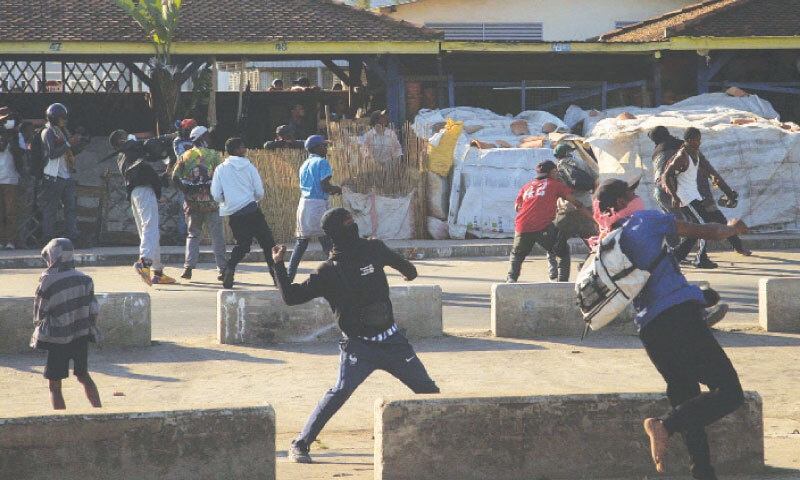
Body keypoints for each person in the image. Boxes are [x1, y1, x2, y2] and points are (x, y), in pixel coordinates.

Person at [594, 177, 747, 480]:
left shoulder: (607, 239)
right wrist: (732, 228)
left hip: (650, 330)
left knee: (687, 399)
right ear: (622, 203)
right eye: (631, 193)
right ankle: (663, 425)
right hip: (680, 318)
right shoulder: (645, 220)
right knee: (729, 392)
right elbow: (707, 232)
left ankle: (702, 471)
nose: (637, 196)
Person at [272, 207, 440, 464]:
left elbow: (290, 296)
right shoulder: (332, 269)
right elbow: (292, 298)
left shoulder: (364, 253)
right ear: (338, 232)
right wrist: (279, 266)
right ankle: (301, 443)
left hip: (393, 342)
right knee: (339, 392)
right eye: (348, 223)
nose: (353, 226)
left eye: (352, 221)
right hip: (358, 349)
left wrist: (279, 265)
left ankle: (444, 433)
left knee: (428, 391)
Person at [31, 237, 102, 410]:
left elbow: (39, 312)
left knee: (54, 385)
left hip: (57, 338)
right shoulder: (85, 279)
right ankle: (99, 411)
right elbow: (94, 309)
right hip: (81, 335)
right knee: (83, 376)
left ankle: (60, 419)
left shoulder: (47, 280)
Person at [663, 127, 750, 268]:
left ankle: (676, 256)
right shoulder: (682, 156)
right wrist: (674, 196)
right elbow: (666, 175)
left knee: (697, 227)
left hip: (694, 196)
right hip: (685, 197)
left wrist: (727, 191)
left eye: (700, 139)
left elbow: (711, 173)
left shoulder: (695, 154)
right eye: (697, 139)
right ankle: (700, 259)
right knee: (703, 226)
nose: (699, 142)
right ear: (689, 140)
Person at [109, 129, 177, 286]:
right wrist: (170, 137)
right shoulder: (130, 150)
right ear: (120, 141)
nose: (131, 137)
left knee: (148, 231)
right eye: (125, 136)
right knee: (150, 228)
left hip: (136, 193)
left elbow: (144, 171)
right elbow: (147, 166)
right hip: (144, 191)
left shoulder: (124, 156)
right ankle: (144, 262)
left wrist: (161, 180)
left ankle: (158, 271)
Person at [211, 137, 277, 288]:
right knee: (268, 244)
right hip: (252, 210)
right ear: (236, 150)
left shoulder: (220, 169)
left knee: (243, 245)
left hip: (235, 213)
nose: (245, 149)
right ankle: (277, 277)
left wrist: (227, 201)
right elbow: (259, 191)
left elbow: (215, 194)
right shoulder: (249, 166)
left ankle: (230, 267)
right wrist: (254, 198)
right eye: (242, 147)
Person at [506, 160, 587, 283]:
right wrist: (584, 209)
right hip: (542, 225)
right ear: (552, 172)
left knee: (517, 254)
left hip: (522, 225)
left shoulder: (527, 186)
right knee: (562, 251)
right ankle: (562, 282)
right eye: (555, 172)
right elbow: (574, 202)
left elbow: (517, 207)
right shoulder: (554, 184)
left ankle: (511, 279)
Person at [172, 126, 227, 281]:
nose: (210, 139)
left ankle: (188, 268)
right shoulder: (214, 155)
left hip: (192, 203)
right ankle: (222, 270)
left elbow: (174, 177)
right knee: (217, 237)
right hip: (211, 202)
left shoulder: (185, 156)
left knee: (193, 235)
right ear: (202, 138)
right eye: (208, 136)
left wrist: (186, 192)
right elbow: (220, 176)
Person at [286, 135, 342, 282]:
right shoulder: (322, 162)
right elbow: (325, 186)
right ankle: (337, 275)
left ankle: (288, 276)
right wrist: (336, 189)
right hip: (317, 205)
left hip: (304, 204)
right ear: (317, 147)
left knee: (301, 243)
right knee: (327, 242)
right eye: (324, 146)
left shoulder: (304, 164)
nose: (326, 149)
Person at [546, 142, 597, 282]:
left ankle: (557, 276)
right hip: (585, 208)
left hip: (565, 210)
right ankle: (588, 268)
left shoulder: (555, 169)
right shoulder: (581, 163)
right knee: (595, 244)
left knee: (555, 244)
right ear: (568, 153)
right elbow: (596, 179)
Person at [39, 103, 85, 245]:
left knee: (70, 208)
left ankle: (73, 236)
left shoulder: (61, 131)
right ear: (53, 118)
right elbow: (53, 154)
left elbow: (68, 151)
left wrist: (79, 144)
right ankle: (49, 237)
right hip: (53, 176)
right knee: (51, 209)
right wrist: (69, 143)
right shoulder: (48, 132)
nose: (65, 120)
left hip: (66, 175)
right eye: (62, 117)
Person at [0, 116, 23, 249]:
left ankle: (10, 241)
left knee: (11, 213)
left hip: (10, 179)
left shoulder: (16, 137)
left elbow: (21, 153)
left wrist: (12, 140)